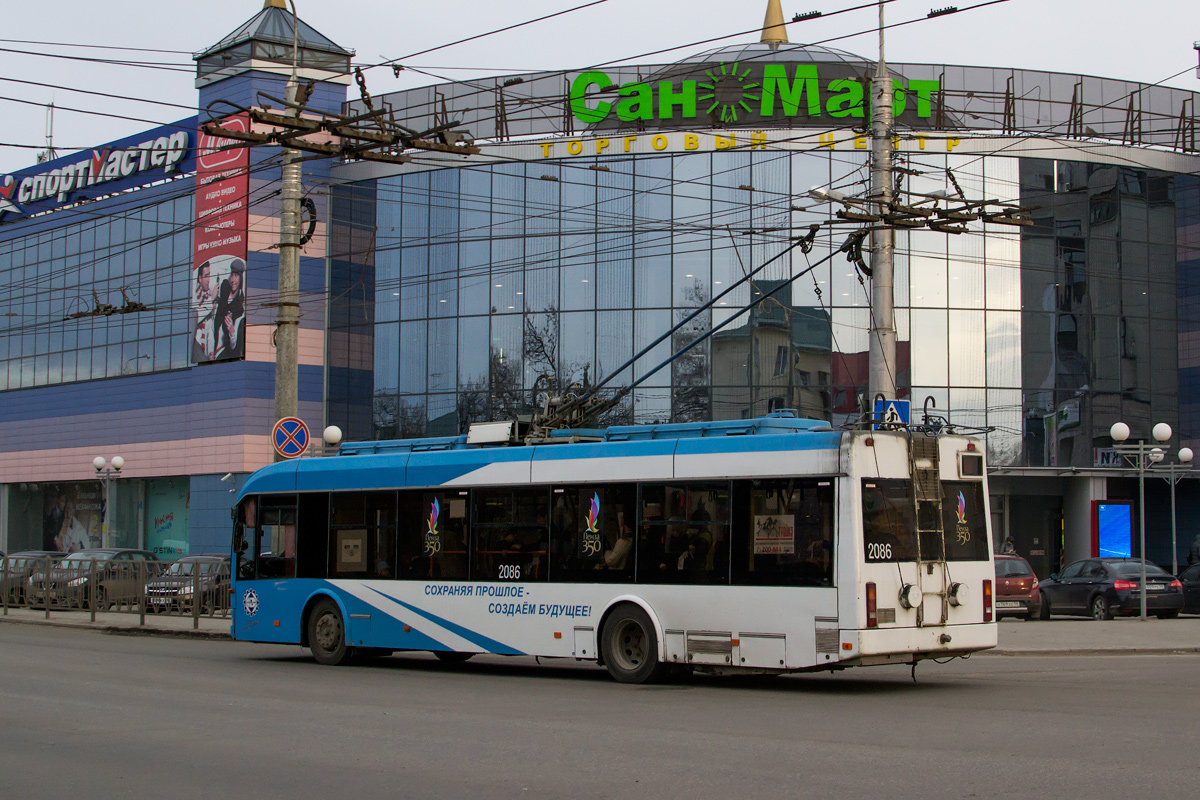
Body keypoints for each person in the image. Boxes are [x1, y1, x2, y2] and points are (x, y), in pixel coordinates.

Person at [214, 259, 246, 360]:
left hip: (224, 350)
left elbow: (234, 346)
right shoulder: (224, 286)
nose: (233, 280)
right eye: (232, 275)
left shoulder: (239, 306)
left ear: (241, 278)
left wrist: (232, 332)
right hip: (213, 340)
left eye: (236, 276)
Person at [192, 261, 218, 362]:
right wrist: (211, 299)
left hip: (204, 351)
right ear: (199, 278)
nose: (208, 279)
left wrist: (211, 351)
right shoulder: (194, 295)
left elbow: (210, 329)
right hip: (195, 345)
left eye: (209, 275)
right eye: (206, 276)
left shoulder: (207, 296)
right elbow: (195, 318)